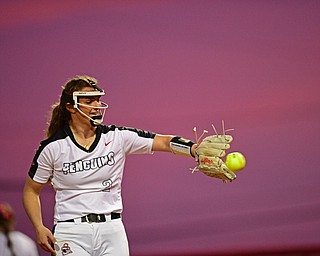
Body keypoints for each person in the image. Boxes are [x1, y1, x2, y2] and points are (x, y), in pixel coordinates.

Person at [22, 75, 229, 256]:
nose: (96, 105)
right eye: (88, 101)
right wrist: (39, 227)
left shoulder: (117, 137)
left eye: (98, 100)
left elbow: (164, 141)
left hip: (112, 229)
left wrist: (194, 149)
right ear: (70, 107)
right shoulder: (52, 147)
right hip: (71, 231)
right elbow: (31, 191)